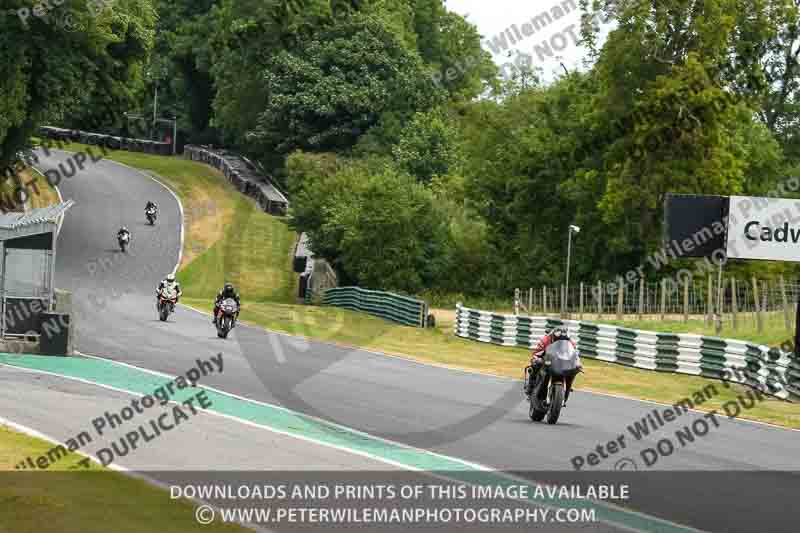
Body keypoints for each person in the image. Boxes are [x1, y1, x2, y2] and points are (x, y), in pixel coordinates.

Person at [524, 326, 579, 398]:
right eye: (558, 339)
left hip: (561, 362)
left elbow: (574, 353)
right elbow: (537, 352)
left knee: (576, 368)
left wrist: (577, 362)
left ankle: (569, 385)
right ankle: (531, 386)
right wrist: (537, 358)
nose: (561, 341)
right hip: (547, 360)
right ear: (553, 336)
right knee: (536, 364)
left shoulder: (570, 342)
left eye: (564, 339)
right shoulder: (546, 339)